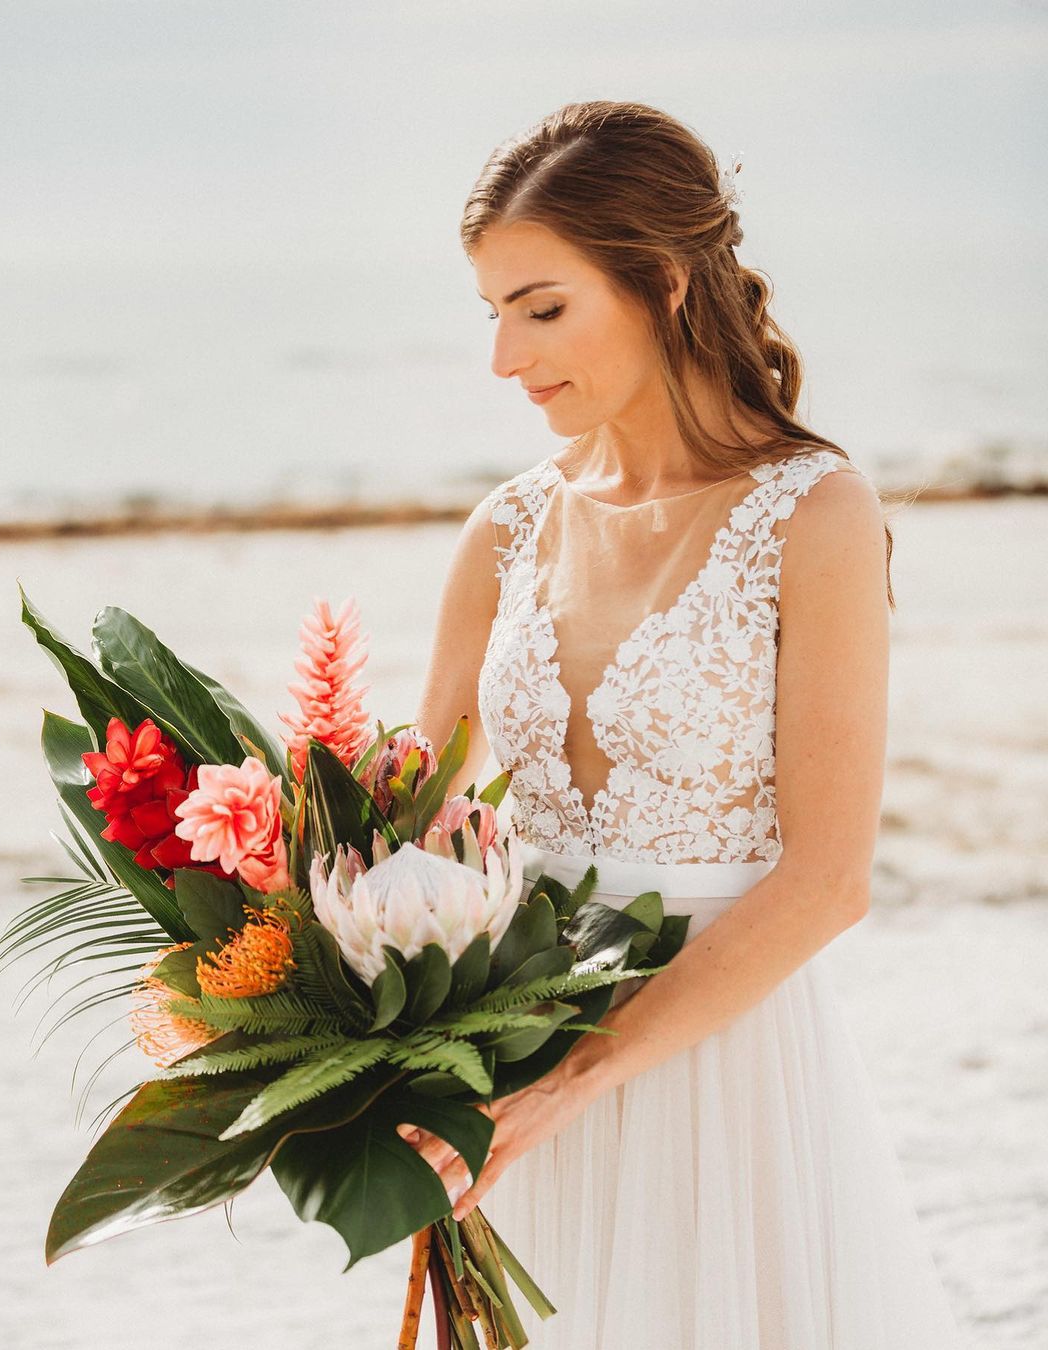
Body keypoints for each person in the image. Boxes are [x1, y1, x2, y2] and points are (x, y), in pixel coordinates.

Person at [402, 100, 967, 1348]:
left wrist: (578, 1078)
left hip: (721, 1080)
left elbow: (826, 883)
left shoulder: (813, 515)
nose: (505, 357)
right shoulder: (504, 528)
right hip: (509, 1079)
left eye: (541, 308)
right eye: (492, 311)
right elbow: (405, 829)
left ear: (658, 282)